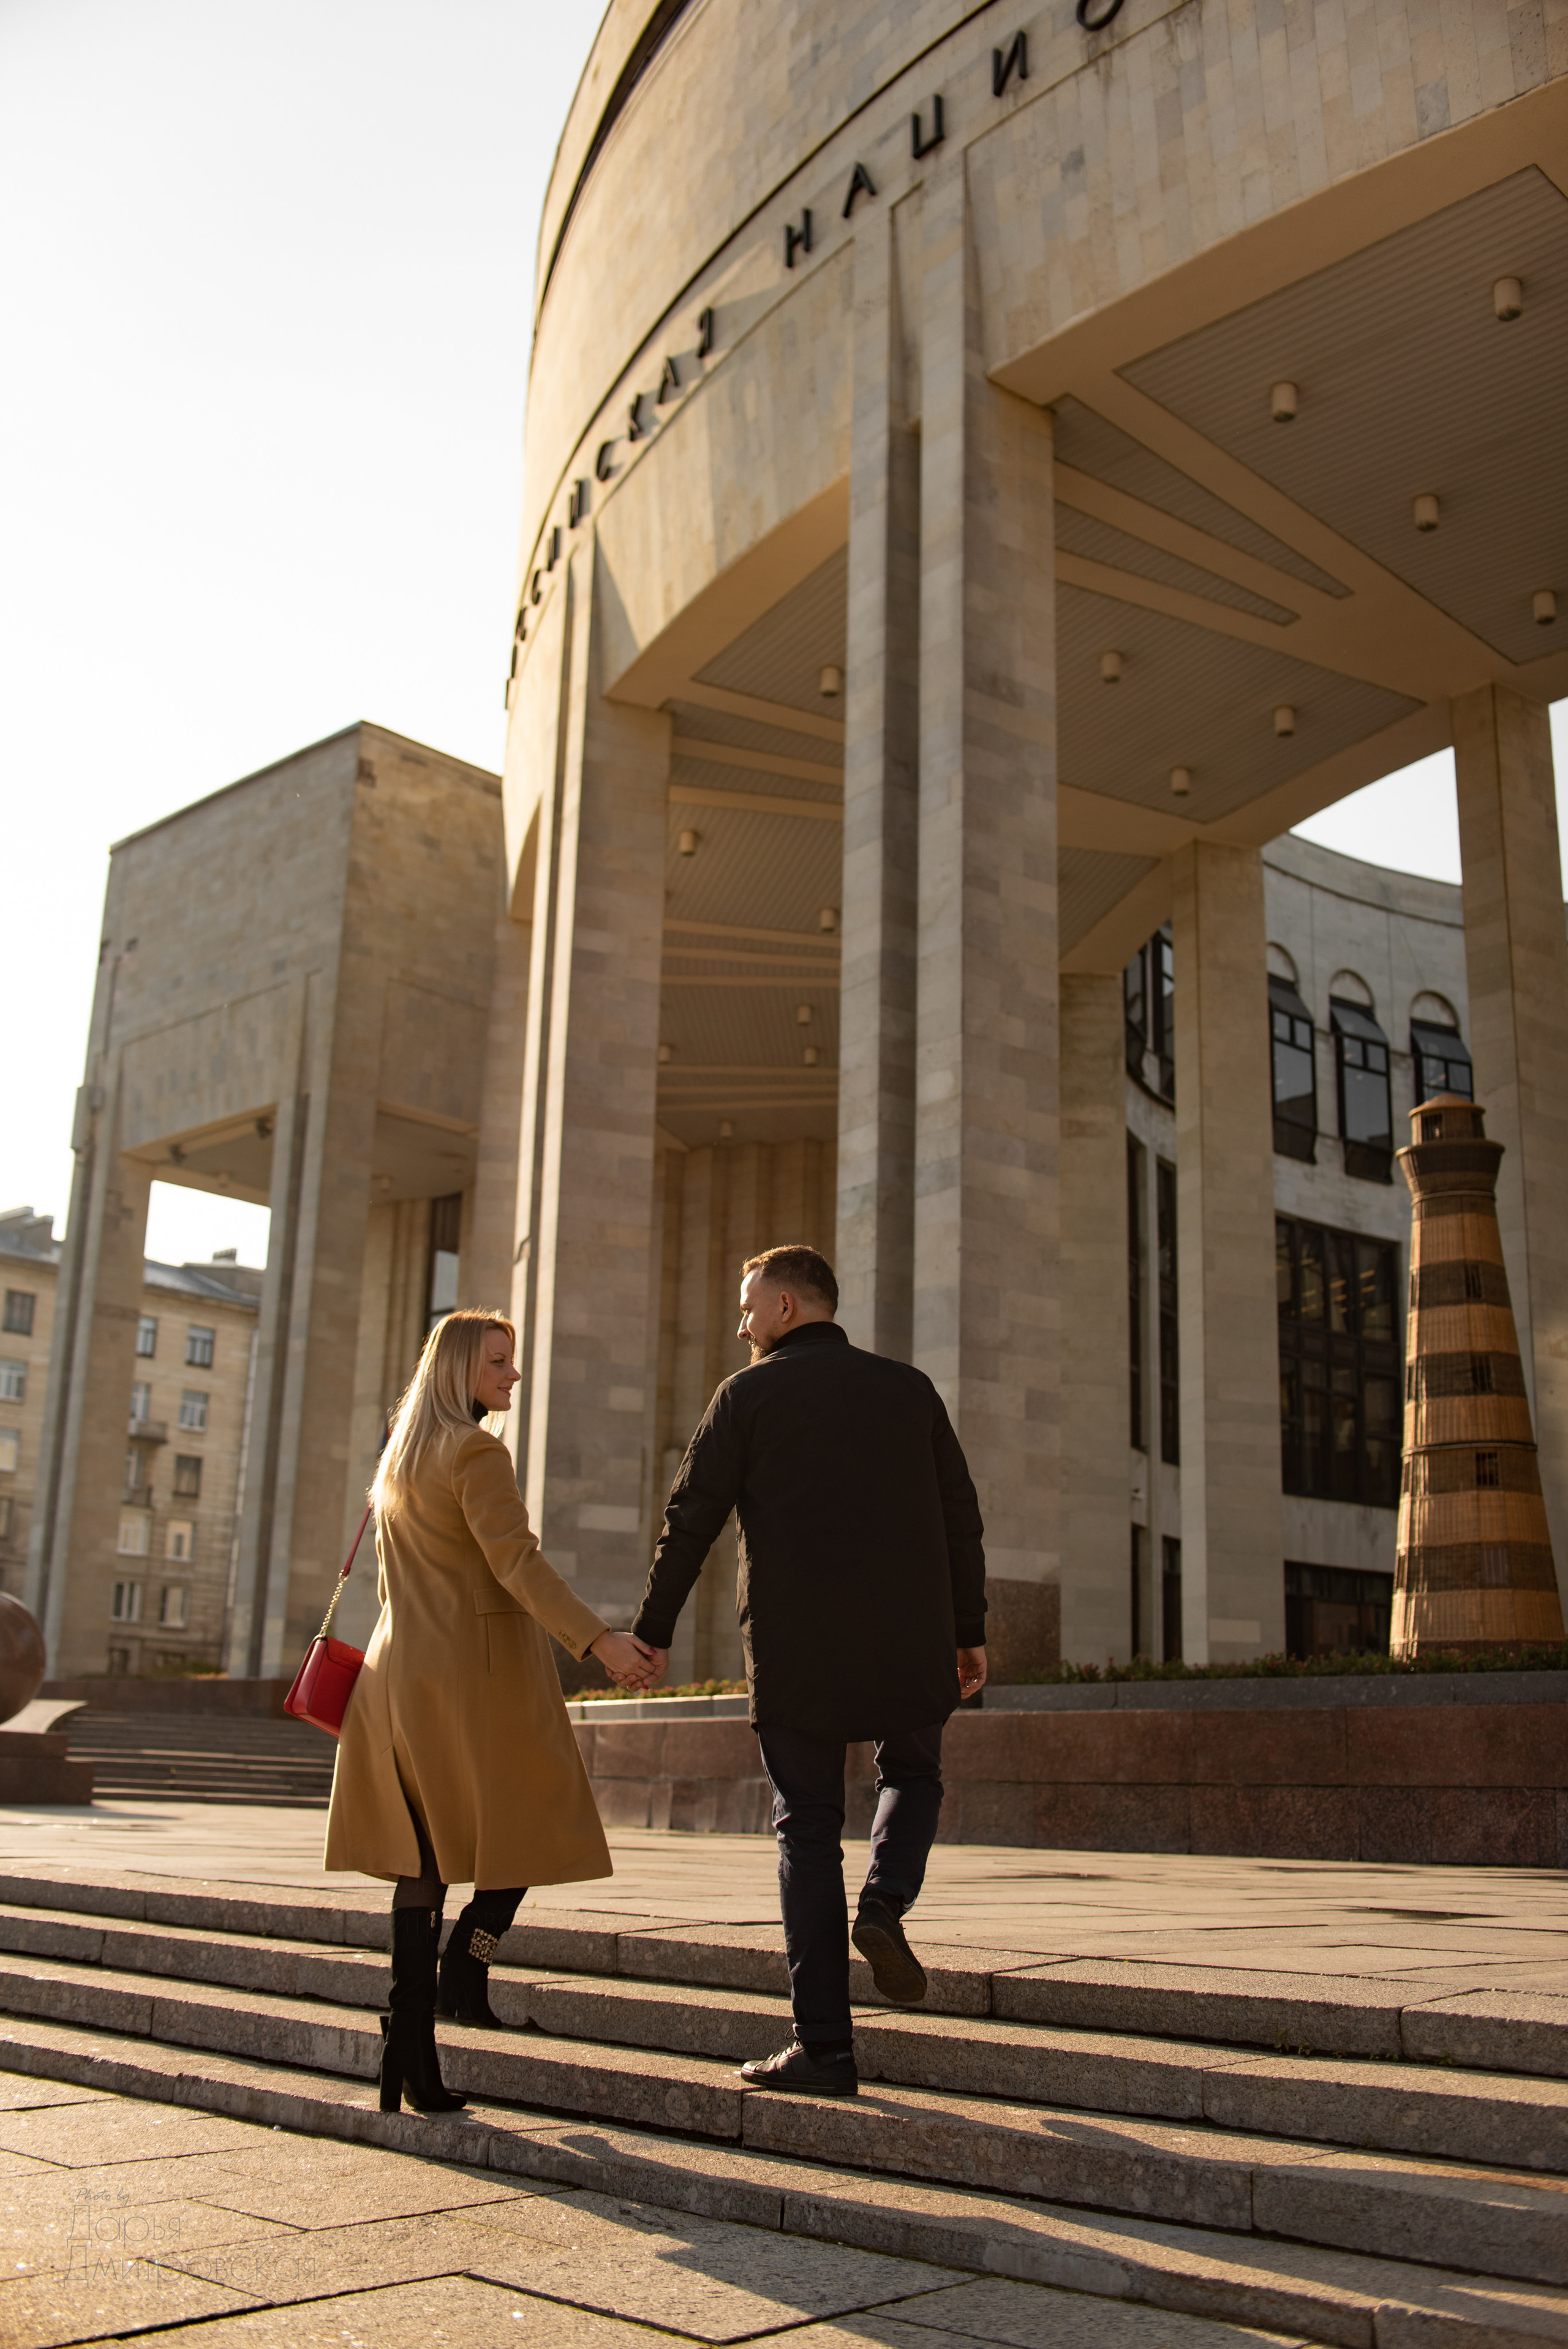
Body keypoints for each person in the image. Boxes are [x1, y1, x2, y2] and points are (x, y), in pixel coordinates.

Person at [627, 1244, 986, 2098]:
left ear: (788, 1307)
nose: (742, 1323)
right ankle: (888, 1901)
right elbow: (960, 1516)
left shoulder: (745, 1395)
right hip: (911, 1633)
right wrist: (968, 1631)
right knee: (914, 1769)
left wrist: (652, 1630)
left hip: (796, 1644)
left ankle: (824, 2046)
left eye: (750, 1306)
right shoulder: (910, 1390)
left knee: (809, 1829)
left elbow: (692, 1517)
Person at [325, 1308, 650, 2114]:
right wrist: (598, 1640)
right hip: (473, 1679)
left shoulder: (401, 1454)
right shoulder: (475, 1449)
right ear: (460, 1369)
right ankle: (458, 1975)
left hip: (398, 1674)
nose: (512, 1376)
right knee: (538, 1818)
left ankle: (414, 2034)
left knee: (425, 1861)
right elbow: (518, 1563)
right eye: (498, 1362)